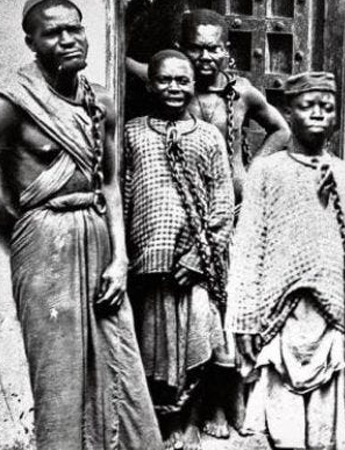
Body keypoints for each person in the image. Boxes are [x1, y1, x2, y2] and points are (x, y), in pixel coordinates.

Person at [0, 1, 162, 448]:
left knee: (120, 365)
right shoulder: (9, 102)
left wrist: (121, 259)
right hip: (44, 244)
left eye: (75, 29)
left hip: (99, 237)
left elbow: (109, 182)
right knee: (59, 376)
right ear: (32, 43)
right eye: (53, 33)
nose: (68, 40)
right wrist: (25, 233)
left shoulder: (101, 100)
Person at [225, 71, 345, 450]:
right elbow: (247, 248)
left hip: (330, 317)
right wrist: (244, 320)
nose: (318, 114)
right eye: (308, 106)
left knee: (325, 432)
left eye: (327, 107)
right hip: (279, 316)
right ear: (289, 113)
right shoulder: (266, 172)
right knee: (284, 431)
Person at [123, 50, 234, 448]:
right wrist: (126, 251)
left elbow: (222, 201)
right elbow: (123, 193)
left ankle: (192, 420)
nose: (173, 87)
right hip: (149, 260)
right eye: (165, 80)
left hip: (196, 261)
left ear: (193, 85)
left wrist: (200, 255)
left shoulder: (208, 136)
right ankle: (163, 421)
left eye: (182, 81)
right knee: (157, 351)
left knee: (197, 340)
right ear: (150, 85)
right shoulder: (132, 133)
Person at [177, 9, 291, 205]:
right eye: (195, 48)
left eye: (214, 49)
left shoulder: (242, 92)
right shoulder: (172, 90)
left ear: (226, 50)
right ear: (181, 49)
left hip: (234, 200)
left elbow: (282, 131)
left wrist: (253, 170)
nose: (205, 56)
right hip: (186, 199)